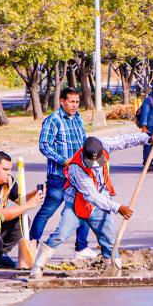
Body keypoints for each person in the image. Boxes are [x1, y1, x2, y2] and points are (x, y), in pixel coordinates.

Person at [29, 132, 153, 278]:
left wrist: (147, 138)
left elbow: (124, 139)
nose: (96, 166)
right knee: (61, 234)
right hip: (77, 204)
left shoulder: (103, 145)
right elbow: (91, 196)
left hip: (100, 201)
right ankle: (37, 268)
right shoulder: (76, 168)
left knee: (109, 240)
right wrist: (117, 208)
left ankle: (114, 272)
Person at [29, 87, 93, 259]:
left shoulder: (78, 119)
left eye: (77, 102)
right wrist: (63, 160)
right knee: (48, 210)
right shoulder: (53, 120)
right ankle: (32, 244)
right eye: (71, 102)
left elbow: (83, 141)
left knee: (83, 208)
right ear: (62, 101)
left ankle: (81, 247)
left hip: (78, 174)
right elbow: (44, 145)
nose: (74, 105)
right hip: (59, 175)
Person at [136, 82, 153, 167]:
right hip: (148, 126)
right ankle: (147, 163)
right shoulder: (148, 100)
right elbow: (145, 113)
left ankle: (150, 162)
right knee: (148, 144)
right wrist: (144, 126)